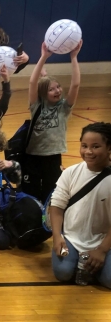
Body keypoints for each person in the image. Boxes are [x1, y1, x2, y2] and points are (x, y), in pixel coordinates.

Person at [50, 122, 111, 288]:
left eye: (96, 146)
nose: (88, 152)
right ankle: (86, 265)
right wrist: (57, 236)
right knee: (63, 273)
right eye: (84, 146)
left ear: (109, 148)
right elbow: (56, 206)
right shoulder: (70, 173)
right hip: (70, 238)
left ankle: (93, 265)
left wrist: (102, 251)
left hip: (104, 241)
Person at [23, 40, 83, 202]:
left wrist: (73, 57)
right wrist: (43, 57)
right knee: (33, 192)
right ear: (43, 93)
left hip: (53, 156)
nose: (57, 91)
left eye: (58, 87)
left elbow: (75, 84)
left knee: (52, 192)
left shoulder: (64, 108)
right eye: (52, 89)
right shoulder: (36, 106)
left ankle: (49, 218)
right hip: (33, 155)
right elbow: (32, 82)